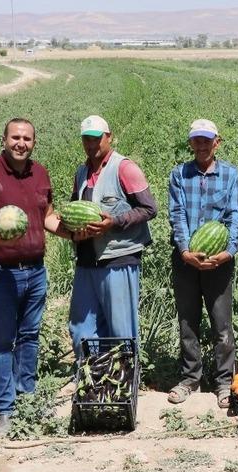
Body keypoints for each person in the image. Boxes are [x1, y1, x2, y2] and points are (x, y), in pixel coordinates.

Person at [0, 118, 70, 436]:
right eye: (15, 137)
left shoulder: (40, 173)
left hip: (35, 270)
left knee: (29, 337)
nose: (20, 143)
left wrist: (74, 233)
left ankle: (27, 397)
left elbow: (47, 216)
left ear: (34, 142)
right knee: (1, 340)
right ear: (4, 139)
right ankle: (4, 408)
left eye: (26, 138)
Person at [68, 115, 158, 358]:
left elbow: (150, 209)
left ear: (109, 137)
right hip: (86, 260)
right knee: (81, 328)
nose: (91, 144)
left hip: (118, 259)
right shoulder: (81, 172)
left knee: (120, 330)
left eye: (96, 139)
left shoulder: (124, 168)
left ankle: (123, 383)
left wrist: (114, 222)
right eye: (86, 139)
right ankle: (92, 381)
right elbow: (73, 209)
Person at [167, 119, 238, 408]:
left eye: (206, 140)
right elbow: (177, 214)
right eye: (196, 140)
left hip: (219, 260)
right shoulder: (179, 174)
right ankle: (190, 378)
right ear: (191, 143)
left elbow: (235, 215)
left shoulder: (230, 175)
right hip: (185, 260)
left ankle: (224, 382)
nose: (201, 145)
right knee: (188, 322)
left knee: (222, 324)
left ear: (217, 142)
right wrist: (186, 250)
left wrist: (230, 250)